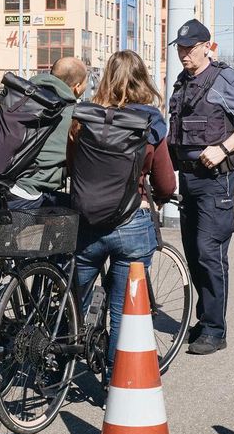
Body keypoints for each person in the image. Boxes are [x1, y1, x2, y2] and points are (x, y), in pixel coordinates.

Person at [71, 50, 176, 375]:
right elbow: (166, 183)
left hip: (87, 222)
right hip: (131, 222)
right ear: (142, 79)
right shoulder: (149, 123)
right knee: (122, 308)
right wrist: (158, 195)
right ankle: (115, 382)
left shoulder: (84, 117)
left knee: (75, 298)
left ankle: (61, 363)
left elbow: (72, 165)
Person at [167, 19, 234, 355]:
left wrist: (223, 148)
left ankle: (214, 329)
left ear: (208, 47)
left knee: (210, 252)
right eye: (180, 49)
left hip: (215, 180)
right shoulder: (182, 82)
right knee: (193, 252)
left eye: (190, 49)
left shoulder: (224, 78)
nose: (184, 55)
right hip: (188, 179)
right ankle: (205, 318)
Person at [0, 56, 88, 221]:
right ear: (77, 87)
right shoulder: (72, 115)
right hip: (24, 198)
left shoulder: (18, 98)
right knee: (82, 214)